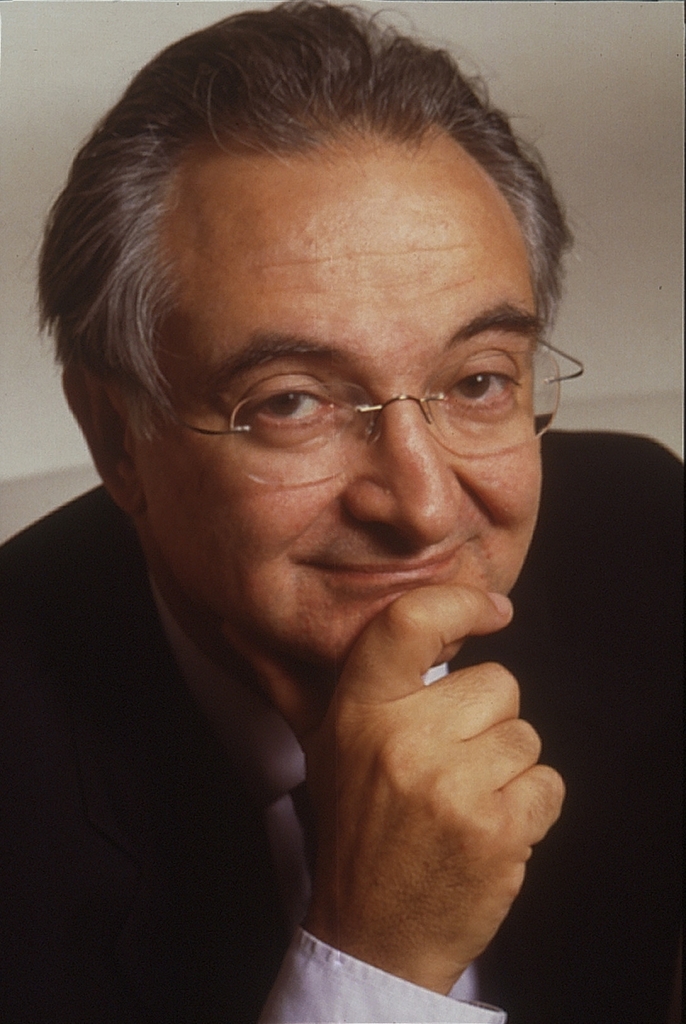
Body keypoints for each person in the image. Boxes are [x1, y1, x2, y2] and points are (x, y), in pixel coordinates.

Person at [0, 3, 680, 1022]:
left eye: (478, 380)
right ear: (117, 437)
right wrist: (374, 961)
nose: (422, 506)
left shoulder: (650, 543)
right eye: (291, 402)